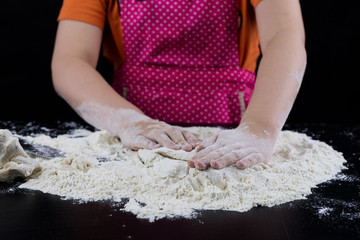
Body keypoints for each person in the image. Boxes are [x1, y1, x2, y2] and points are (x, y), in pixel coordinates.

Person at [51, 0, 306, 171]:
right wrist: (128, 121)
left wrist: (259, 128)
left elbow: (285, 36)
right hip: (132, 145)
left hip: (234, 138)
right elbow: (71, 60)